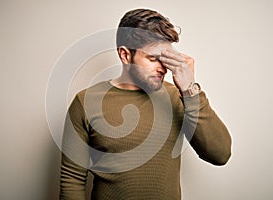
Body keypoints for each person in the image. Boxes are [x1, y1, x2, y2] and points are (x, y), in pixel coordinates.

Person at [59, 8, 232, 200]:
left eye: (166, 58)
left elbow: (220, 155)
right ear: (125, 55)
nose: (163, 67)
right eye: (153, 58)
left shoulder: (178, 97)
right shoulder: (85, 102)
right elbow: (72, 180)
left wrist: (190, 90)